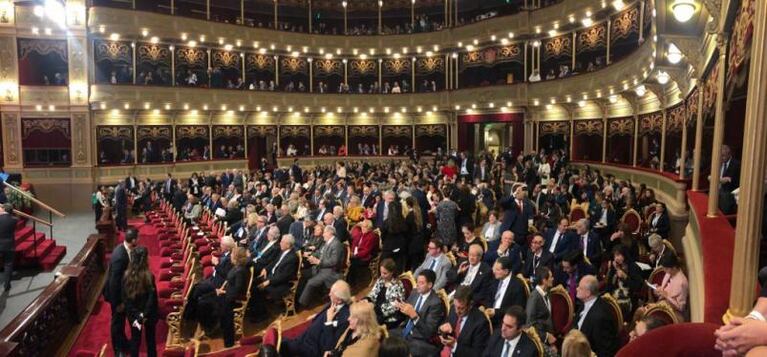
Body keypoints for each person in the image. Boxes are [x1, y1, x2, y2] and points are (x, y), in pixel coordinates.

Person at [281, 280, 352, 357]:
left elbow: (331, 344)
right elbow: (324, 312)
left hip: (313, 348)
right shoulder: (334, 302)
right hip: (305, 336)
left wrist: (329, 322)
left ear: (339, 300)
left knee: (282, 346)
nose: (329, 294)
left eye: (331, 293)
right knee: (280, 342)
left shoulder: (345, 318)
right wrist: (316, 315)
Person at [391, 269, 446, 357]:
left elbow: (428, 332)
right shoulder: (414, 292)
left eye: (421, 283)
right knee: (385, 336)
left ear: (430, 285)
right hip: (404, 330)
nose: (417, 285)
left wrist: (414, 315)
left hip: (418, 339)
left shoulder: (436, 303)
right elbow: (406, 313)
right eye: (417, 282)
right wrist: (400, 308)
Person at [104, 227, 139, 356]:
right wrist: (118, 303)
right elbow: (114, 283)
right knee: (117, 323)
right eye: (138, 238)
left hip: (123, 293)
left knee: (121, 321)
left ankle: (123, 343)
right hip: (117, 297)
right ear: (133, 240)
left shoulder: (125, 249)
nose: (139, 240)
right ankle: (118, 350)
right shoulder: (120, 256)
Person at [251, 234, 299, 320]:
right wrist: (266, 268)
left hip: (280, 284)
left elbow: (284, 276)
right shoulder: (283, 251)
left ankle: (262, 315)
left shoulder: (292, 258)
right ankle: (255, 309)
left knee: (256, 290)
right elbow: (274, 262)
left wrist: (269, 281)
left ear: (288, 245)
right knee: (252, 283)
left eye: (282, 242)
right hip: (271, 276)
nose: (280, 243)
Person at [122, 246, 158, 357]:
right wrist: (144, 315)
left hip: (133, 316)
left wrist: (137, 315)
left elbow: (126, 300)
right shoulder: (149, 276)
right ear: (144, 260)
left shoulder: (126, 276)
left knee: (135, 340)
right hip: (148, 315)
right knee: (150, 341)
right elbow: (152, 299)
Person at [299, 225, 344, 307]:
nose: (323, 234)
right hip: (321, 268)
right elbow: (320, 252)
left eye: (324, 233)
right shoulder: (328, 242)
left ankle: (302, 305)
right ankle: (301, 298)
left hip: (331, 272)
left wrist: (319, 262)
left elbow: (334, 261)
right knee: (302, 274)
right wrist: (311, 255)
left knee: (310, 282)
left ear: (330, 233)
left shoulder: (336, 244)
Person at [438, 286, 491, 357]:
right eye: (455, 306)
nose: (457, 311)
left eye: (461, 308)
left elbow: (477, 354)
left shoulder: (481, 323)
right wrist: (441, 330)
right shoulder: (453, 309)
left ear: (470, 305)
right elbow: (443, 328)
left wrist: (455, 345)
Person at [574, 275, 618, 357]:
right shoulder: (585, 303)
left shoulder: (601, 316)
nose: (577, 289)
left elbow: (604, 350)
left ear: (588, 293)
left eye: (580, 288)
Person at [217, 246, 251, 347]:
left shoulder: (240, 270)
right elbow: (229, 280)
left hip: (233, 299)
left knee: (213, 303)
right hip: (228, 294)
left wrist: (223, 293)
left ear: (236, 257)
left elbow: (237, 289)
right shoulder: (236, 266)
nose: (230, 256)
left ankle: (229, 342)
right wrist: (222, 289)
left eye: (232, 254)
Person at [483, 256, 528, 327]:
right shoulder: (495, 279)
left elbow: (517, 309)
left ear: (506, 271)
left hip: (505, 321)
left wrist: (496, 312)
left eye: (497, 270)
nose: (494, 271)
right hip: (489, 317)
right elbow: (488, 296)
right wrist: (487, 308)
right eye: (494, 268)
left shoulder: (517, 285)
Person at [365, 258, 406, 329]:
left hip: (388, 316)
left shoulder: (397, 285)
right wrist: (367, 299)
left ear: (392, 272)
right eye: (381, 272)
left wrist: (377, 314)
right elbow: (373, 293)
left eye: (385, 273)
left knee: (370, 325)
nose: (382, 275)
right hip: (376, 309)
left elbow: (395, 307)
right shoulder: (380, 280)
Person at [653, 253, 689, 321]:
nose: (664, 270)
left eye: (666, 268)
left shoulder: (682, 283)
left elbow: (681, 308)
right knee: (640, 311)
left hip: (674, 313)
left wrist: (666, 296)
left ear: (674, 268)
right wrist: (659, 289)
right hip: (664, 304)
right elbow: (666, 288)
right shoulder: (669, 272)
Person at [526, 267, 554, 341]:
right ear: (544, 280)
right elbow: (529, 324)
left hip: (549, 334)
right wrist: (546, 336)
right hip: (539, 339)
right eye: (551, 277)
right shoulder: (534, 298)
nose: (553, 279)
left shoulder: (547, 292)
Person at [0, 204, 16, 292]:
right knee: (8, 265)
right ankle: (7, 285)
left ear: (4, 209)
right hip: (9, 245)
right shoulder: (14, 220)